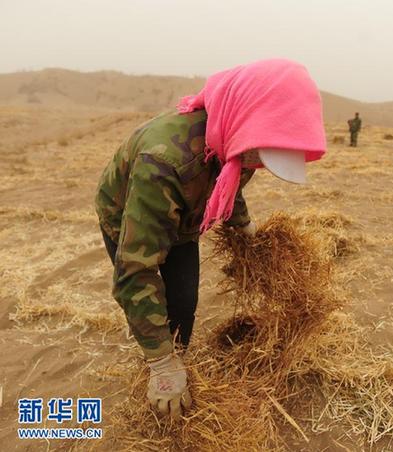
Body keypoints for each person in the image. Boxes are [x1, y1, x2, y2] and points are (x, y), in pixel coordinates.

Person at [95, 59, 326, 420]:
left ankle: (175, 352)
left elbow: (225, 182)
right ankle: (159, 366)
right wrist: (161, 364)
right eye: (260, 155)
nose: (257, 165)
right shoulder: (165, 162)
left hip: (183, 220)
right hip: (130, 216)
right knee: (153, 297)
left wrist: (244, 225)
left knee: (183, 301)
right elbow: (135, 270)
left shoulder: (235, 140)